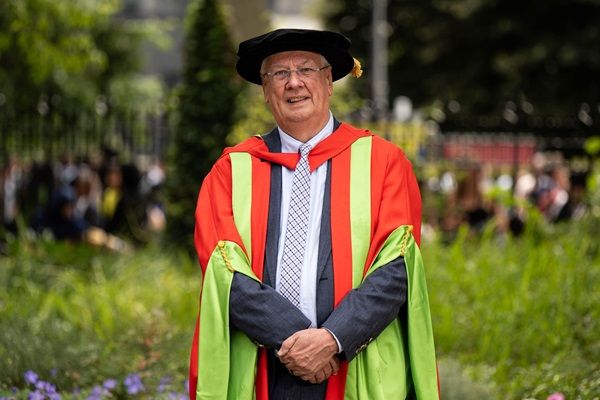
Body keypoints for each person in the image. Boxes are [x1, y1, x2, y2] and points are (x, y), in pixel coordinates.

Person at [189, 28, 439, 400]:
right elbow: (222, 267)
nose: (294, 83)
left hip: (354, 361)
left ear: (328, 81)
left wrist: (333, 339)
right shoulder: (231, 171)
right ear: (264, 89)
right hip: (263, 367)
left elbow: (397, 266)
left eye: (306, 69)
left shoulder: (384, 162)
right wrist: (293, 341)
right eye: (279, 73)